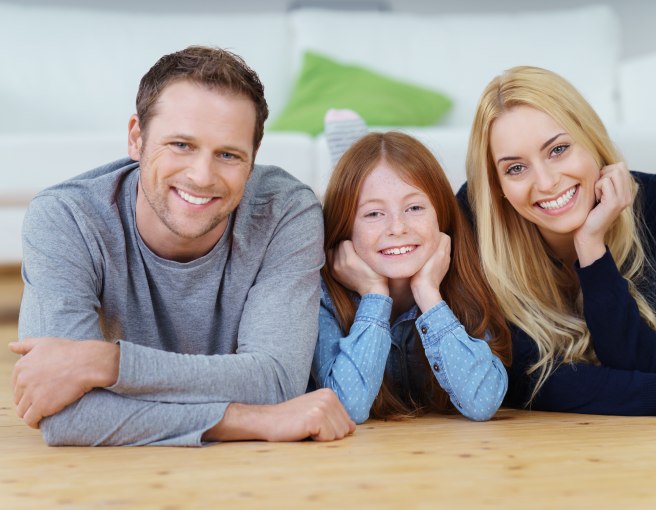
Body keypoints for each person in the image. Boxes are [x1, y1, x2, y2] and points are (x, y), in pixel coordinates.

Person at [9, 46, 355, 446]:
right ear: (137, 138)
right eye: (181, 145)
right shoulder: (67, 218)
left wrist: (108, 363)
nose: (202, 176)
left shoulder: (286, 212)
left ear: (253, 158)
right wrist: (254, 421)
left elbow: (276, 381)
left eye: (228, 154)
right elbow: (66, 415)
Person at [460, 65, 656, 417]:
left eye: (558, 149)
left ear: (593, 139)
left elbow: (651, 367)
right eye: (515, 168)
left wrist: (592, 247)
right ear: (498, 187)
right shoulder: (476, 218)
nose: (547, 182)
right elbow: (519, 378)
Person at [312, 111, 511, 424]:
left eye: (415, 207)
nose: (398, 228)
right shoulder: (321, 296)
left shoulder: (465, 276)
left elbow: (483, 401)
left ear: (441, 216)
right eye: (373, 214)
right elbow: (347, 408)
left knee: (378, 187)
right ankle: (351, 165)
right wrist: (374, 295)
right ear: (345, 230)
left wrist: (429, 294)